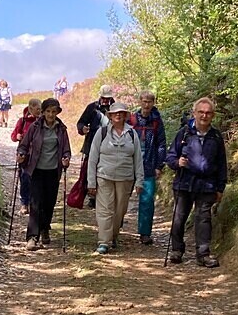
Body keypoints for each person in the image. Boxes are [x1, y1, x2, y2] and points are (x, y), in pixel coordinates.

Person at [165, 97, 227, 267]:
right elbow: (170, 156)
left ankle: (203, 254)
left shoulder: (216, 136)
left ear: (212, 115)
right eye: (201, 112)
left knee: (203, 219)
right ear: (194, 113)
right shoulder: (184, 133)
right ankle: (177, 250)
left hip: (207, 184)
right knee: (179, 218)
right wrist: (177, 163)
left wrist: (220, 187)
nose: (204, 116)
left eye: (208, 113)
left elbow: (222, 164)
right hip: (184, 182)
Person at [87, 102, 144, 255]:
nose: (118, 115)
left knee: (120, 210)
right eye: (115, 113)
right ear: (110, 116)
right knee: (105, 209)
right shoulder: (102, 132)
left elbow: (138, 159)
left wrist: (139, 180)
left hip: (125, 178)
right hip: (104, 176)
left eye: (122, 113)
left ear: (126, 116)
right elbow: (93, 158)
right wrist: (91, 181)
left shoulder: (132, 134)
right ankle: (103, 241)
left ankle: (113, 236)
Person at [17, 98, 71, 251]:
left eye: (54, 112)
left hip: (53, 170)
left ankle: (45, 228)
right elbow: (24, 145)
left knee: (49, 203)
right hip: (36, 170)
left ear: (57, 113)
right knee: (35, 203)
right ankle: (32, 237)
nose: (51, 114)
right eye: (48, 111)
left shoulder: (61, 129)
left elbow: (66, 149)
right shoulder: (35, 127)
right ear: (43, 112)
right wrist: (21, 154)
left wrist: (66, 158)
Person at [130, 90, 167, 245]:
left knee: (147, 200)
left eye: (150, 102)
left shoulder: (157, 121)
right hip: (130, 164)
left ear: (153, 103)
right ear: (140, 101)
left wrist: (159, 165)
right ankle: (113, 231)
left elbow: (161, 144)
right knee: (120, 199)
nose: (147, 105)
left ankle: (145, 233)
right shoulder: (131, 120)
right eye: (144, 101)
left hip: (149, 165)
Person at [76, 84, 114, 209]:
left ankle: (102, 196)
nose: (105, 100)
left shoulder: (115, 108)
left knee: (105, 170)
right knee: (89, 169)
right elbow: (80, 122)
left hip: (110, 145)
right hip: (91, 142)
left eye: (108, 98)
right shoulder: (92, 108)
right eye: (104, 98)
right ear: (100, 96)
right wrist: (83, 129)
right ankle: (91, 196)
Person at [11, 98, 41, 215]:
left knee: (35, 180)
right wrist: (17, 136)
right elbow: (13, 136)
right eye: (37, 109)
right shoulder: (22, 121)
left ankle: (34, 204)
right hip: (25, 156)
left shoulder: (42, 121)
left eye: (40, 109)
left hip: (37, 155)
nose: (39, 111)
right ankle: (24, 203)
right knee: (25, 179)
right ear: (30, 109)